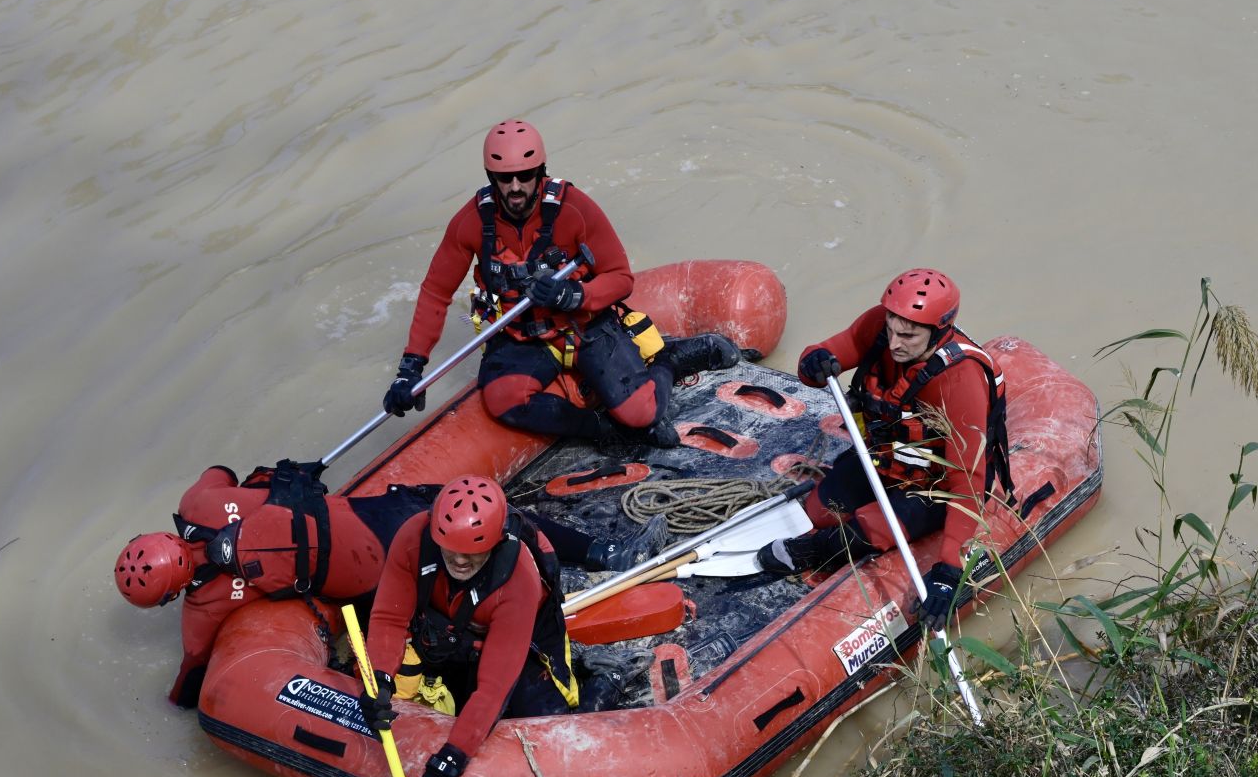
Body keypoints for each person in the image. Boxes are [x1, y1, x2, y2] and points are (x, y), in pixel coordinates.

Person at [113, 461, 664, 708]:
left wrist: (175, 704)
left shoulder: (205, 605)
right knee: (495, 525)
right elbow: (225, 475)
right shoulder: (201, 504)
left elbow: (190, 673)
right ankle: (605, 553)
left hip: (376, 580)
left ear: (167, 595)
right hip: (379, 515)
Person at [380, 119, 740, 448]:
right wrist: (410, 368)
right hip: (521, 336)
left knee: (641, 413)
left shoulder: (575, 209)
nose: (516, 188)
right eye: (505, 179)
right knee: (502, 399)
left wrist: (575, 294)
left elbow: (620, 278)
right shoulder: (470, 222)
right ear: (492, 178)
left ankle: (669, 360)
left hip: (585, 325)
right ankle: (602, 429)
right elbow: (435, 292)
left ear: (541, 171)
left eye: (525, 175)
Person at [758, 268, 1014, 630]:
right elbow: (827, 353)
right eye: (892, 328)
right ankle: (831, 526)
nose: (894, 343)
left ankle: (817, 552)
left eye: (908, 335)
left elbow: (967, 481)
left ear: (938, 331)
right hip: (886, 460)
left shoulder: (960, 381)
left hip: (934, 485)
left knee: (868, 530)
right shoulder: (880, 326)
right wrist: (813, 362)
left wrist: (948, 572)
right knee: (819, 510)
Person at [357, 476, 604, 777]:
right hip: (449, 628)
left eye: (472, 553)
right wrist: (379, 681)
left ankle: (604, 680)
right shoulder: (412, 538)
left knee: (545, 723)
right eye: (451, 550)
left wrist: (446, 767)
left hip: (524, 635)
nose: (459, 561)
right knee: (440, 686)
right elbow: (388, 618)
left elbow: (493, 689)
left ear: (495, 542)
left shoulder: (518, 580)